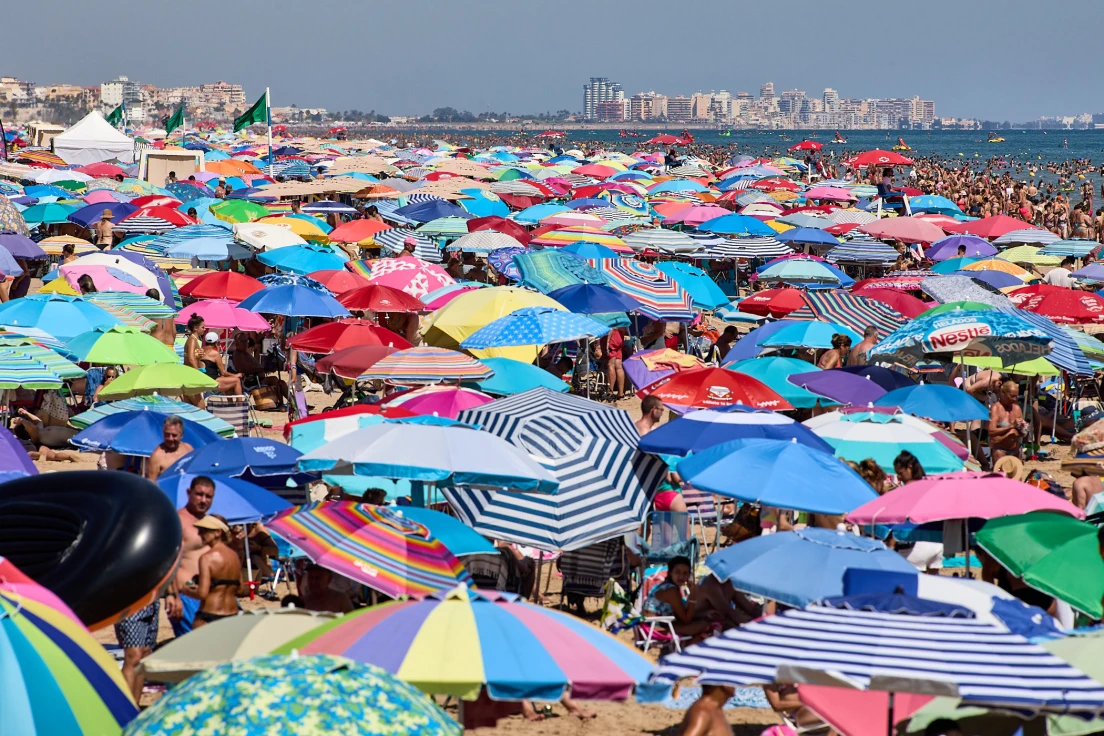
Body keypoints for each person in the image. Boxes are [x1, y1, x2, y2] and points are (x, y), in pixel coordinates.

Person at [166, 476, 216, 636]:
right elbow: (169, 561)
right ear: (189, 493)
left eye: (208, 496)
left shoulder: (211, 523)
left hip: (210, 596)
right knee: (193, 644)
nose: (203, 500)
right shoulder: (178, 520)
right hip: (186, 594)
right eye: (199, 494)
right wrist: (173, 596)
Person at [181, 514, 243, 627]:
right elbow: (241, 589)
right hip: (232, 614)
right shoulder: (234, 556)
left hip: (210, 614)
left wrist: (186, 590)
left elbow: (202, 593)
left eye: (204, 530)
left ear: (218, 532)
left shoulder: (207, 558)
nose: (200, 534)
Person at [642, 556, 715, 643]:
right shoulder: (671, 590)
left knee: (702, 622)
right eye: (677, 572)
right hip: (656, 629)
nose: (681, 576)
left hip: (655, 625)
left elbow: (683, 614)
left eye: (685, 573)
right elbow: (686, 620)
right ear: (670, 573)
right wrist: (693, 594)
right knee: (702, 625)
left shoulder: (667, 585)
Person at [113, 597, 160, 700]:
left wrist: (172, 594)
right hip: (131, 601)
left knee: (144, 656)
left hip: (152, 601)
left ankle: (135, 705)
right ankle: (125, 706)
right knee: (134, 656)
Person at [11, 408, 81, 462]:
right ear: (26, 430)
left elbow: (38, 421)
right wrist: (22, 421)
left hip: (78, 434)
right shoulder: (36, 437)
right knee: (53, 455)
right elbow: (31, 428)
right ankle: (69, 457)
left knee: (53, 455)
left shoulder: (40, 430)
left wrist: (26, 412)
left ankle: (69, 457)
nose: (32, 423)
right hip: (77, 438)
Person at [146, 415, 194, 480]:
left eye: (174, 435)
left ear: (181, 435)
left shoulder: (189, 449)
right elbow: (151, 483)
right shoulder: (156, 457)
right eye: (167, 435)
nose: (170, 438)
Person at [989, 381, 1026, 462]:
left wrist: (1024, 428)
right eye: (1012, 396)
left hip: (1016, 450)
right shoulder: (996, 408)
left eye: (1016, 396)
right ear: (1003, 393)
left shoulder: (1016, 408)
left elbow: (1022, 434)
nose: (1014, 399)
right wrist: (1011, 427)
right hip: (1000, 450)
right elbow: (991, 431)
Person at [200, 331, 244, 395]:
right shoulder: (215, 353)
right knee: (236, 380)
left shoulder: (200, 351)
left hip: (203, 379)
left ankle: (230, 401)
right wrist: (236, 375)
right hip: (213, 381)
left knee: (227, 380)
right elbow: (223, 372)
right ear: (216, 342)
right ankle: (240, 401)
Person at [602, 327, 626, 399]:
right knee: (619, 366)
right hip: (620, 335)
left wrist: (607, 341)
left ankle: (610, 392)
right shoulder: (622, 319)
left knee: (611, 365)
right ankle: (621, 393)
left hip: (613, 336)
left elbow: (611, 326)